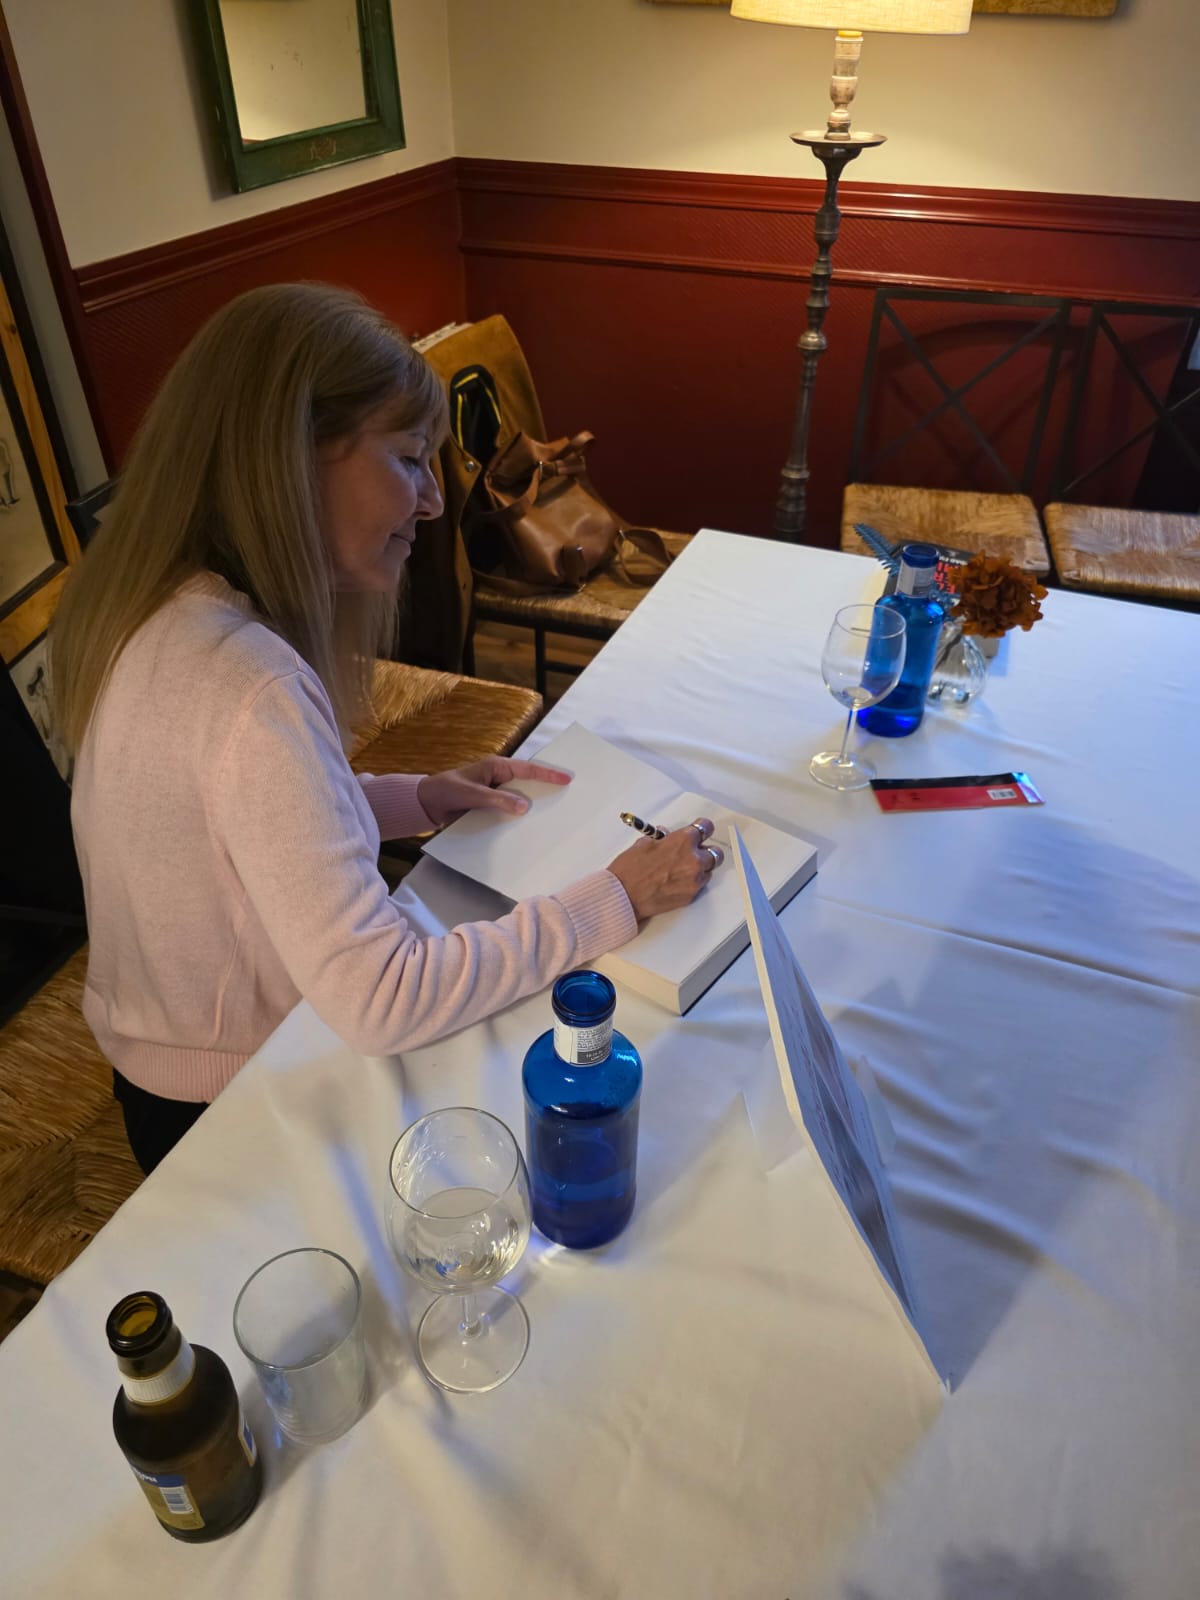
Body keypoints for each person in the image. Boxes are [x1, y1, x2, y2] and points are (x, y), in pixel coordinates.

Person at [50, 283, 722, 1174]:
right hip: (232, 1113)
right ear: (291, 457)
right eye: (409, 460)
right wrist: (615, 898)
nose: (436, 502)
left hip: (163, 1065)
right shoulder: (248, 683)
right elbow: (385, 997)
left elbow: (235, 824)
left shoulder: (162, 611)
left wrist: (418, 799)